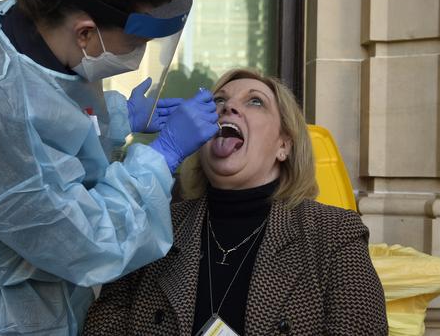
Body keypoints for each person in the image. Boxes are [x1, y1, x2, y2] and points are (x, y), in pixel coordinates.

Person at [0, 0, 218, 335]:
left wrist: (118, 117)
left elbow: (53, 114)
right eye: (135, 43)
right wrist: (161, 157)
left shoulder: (37, 23)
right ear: (84, 33)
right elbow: (90, 241)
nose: (139, 58)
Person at [83, 68, 389, 336]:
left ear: (284, 145)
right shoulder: (152, 223)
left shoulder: (334, 232)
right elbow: (102, 325)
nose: (228, 107)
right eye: (218, 101)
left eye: (255, 101)